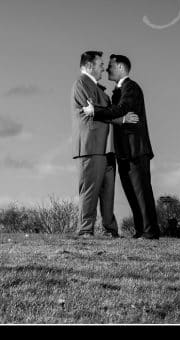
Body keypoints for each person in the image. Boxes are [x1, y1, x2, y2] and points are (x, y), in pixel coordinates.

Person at [84, 54, 160, 239]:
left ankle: (150, 232)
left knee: (141, 192)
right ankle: (141, 230)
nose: (107, 69)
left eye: (109, 66)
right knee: (132, 193)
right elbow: (119, 114)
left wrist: (96, 111)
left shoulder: (130, 88)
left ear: (119, 67)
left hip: (136, 150)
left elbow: (121, 109)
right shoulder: (118, 91)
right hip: (124, 152)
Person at [71, 50, 140, 237]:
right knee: (90, 191)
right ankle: (85, 230)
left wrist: (122, 119)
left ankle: (111, 231)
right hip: (91, 147)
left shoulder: (100, 90)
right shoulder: (81, 83)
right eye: (101, 64)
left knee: (108, 194)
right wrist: (117, 116)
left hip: (107, 150)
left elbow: (104, 113)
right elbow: (94, 111)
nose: (103, 67)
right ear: (90, 66)